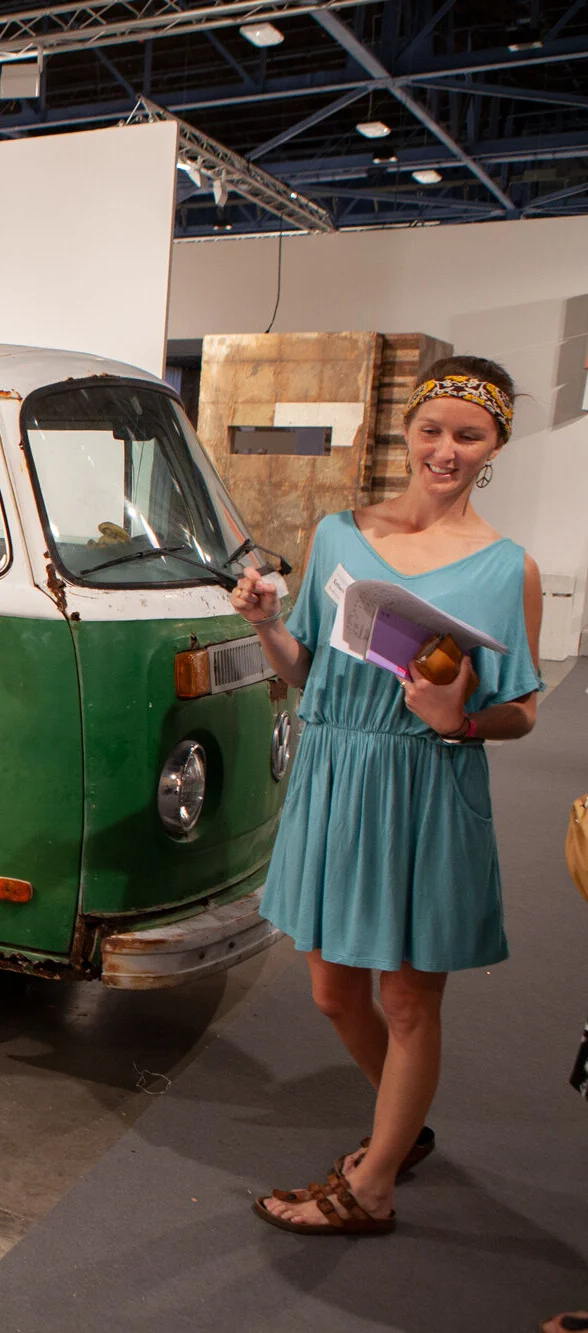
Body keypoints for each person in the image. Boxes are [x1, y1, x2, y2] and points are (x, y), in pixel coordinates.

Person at [237, 357, 542, 1235]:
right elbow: (307, 669)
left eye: (469, 435)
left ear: (495, 446)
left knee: (408, 1000)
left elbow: (523, 710)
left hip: (426, 784)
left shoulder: (508, 568)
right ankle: (399, 1126)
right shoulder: (339, 534)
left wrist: (460, 720)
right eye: (432, 429)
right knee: (333, 990)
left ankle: (373, 1186)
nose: (445, 449)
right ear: (407, 431)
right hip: (336, 774)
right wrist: (266, 623)